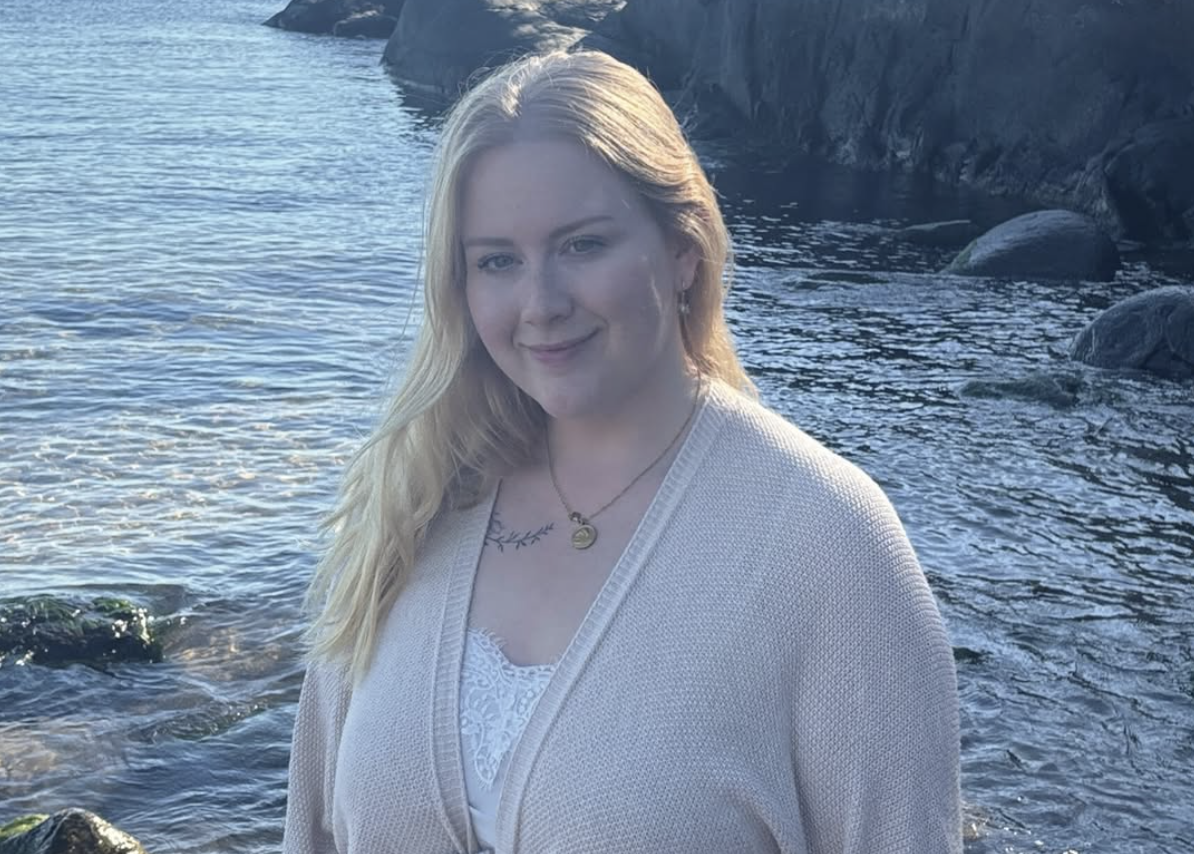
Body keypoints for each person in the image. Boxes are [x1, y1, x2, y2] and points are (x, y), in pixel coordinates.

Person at [282, 49, 961, 854]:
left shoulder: (825, 543)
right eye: (497, 261)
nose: (541, 304)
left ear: (682, 249)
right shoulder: (416, 504)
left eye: (583, 246)